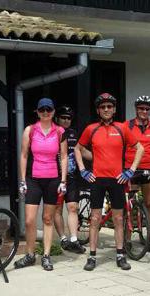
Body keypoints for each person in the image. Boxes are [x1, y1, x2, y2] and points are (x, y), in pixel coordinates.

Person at [75, 93, 144, 271]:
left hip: (117, 179)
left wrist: (131, 170)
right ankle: (92, 256)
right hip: (97, 179)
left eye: (109, 106)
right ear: (98, 110)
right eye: (102, 107)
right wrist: (83, 170)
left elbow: (140, 148)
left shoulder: (122, 128)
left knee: (118, 218)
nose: (106, 109)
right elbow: (78, 149)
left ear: (114, 109)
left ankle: (120, 255)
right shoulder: (91, 129)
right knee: (95, 218)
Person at [15, 98, 67, 271]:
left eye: (49, 110)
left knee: (47, 218)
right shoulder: (30, 130)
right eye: (42, 109)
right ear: (37, 112)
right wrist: (22, 180)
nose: (45, 112)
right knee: (29, 220)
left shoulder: (59, 131)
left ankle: (46, 255)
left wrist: (63, 180)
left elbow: (64, 157)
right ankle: (30, 255)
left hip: (53, 179)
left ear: (53, 112)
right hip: (33, 179)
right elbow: (23, 155)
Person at [124, 95, 150, 237]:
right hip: (131, 169)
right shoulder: (127, 126)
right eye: (141, 108)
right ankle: (127, 240)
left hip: (149, 170)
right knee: (129, 206)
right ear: (136, 109)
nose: (144, 111)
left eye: (147, 109)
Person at [53, 105, 87, 254]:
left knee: (73, 207)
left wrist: (99, 157)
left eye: (69, 118)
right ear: (57, 118)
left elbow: (81, 150)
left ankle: (74, 239)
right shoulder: (53, 132)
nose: (66, 120)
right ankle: (63, 238)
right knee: (57, 209)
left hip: (72, 177)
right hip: (55, 177)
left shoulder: (73, 133)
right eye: (63, 118)